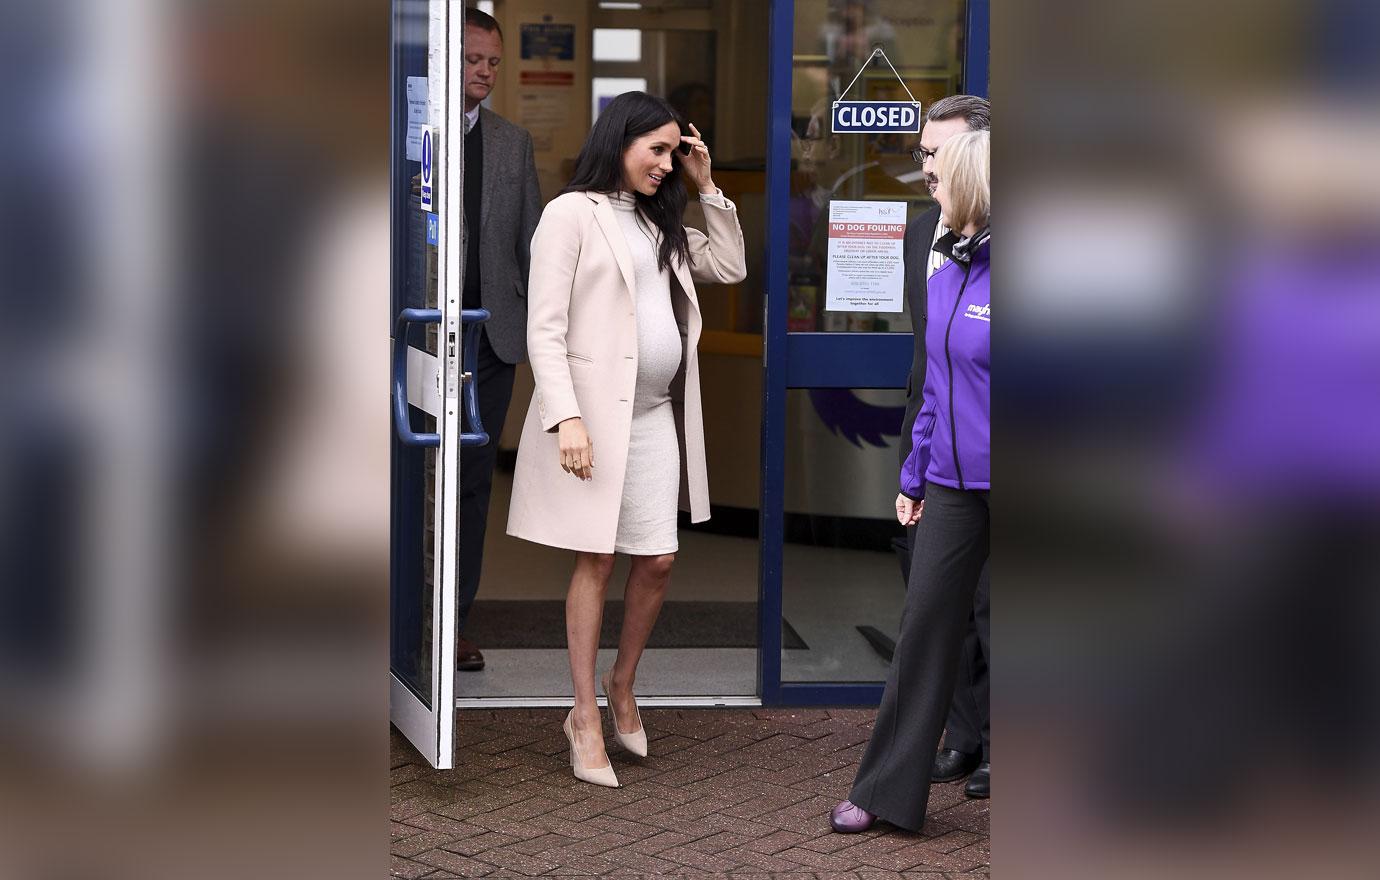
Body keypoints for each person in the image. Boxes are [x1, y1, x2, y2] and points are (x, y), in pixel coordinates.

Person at [506, 91, 746, 787]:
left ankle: (621, 683)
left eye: (676, 151)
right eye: (659, 150)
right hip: (594, 419)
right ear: (621, 141)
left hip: (651, 418)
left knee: (660, 560)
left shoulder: (657, 217)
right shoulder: (569, 214)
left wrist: (707, 187)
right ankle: (583, 714)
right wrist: (565, 417)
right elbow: (544, 327)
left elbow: (728, 266)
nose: (668, 163)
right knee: (597, 562)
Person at [832, 128, 991, 833]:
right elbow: (935, 387)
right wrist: (916, 474)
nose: (929, 183)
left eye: (940, 173)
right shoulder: (948, 271)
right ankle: (884, 792)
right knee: (925, 625)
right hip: (954, 485)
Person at [897, 95, 992, 798]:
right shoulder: (920, 231)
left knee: (994, 599)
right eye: (924, 152)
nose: (928, 166)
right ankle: (961, 734)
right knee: (935, 594)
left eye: (941, 153)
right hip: (934, 425)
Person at [453, 8, 543, 671]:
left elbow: (532, 246)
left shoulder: (513, 143)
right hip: (423, 337)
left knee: (475, 481)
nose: (484, 71)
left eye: (492, 61)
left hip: (494, 341)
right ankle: (404, 615)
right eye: (472, 58)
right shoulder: (406, 132)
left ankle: (454, 619)